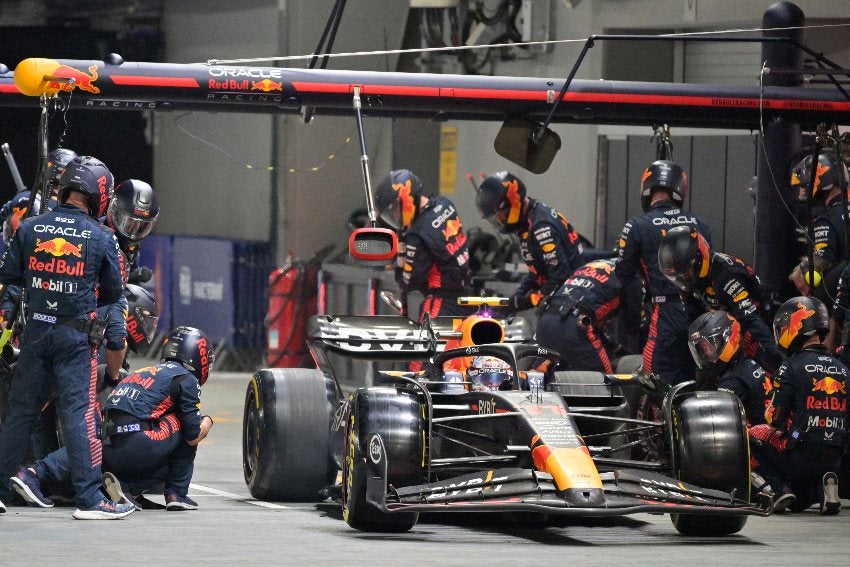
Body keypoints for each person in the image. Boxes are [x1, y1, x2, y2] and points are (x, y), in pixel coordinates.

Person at [0, 155, 134, 520]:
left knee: (20, 414)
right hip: (75, 341)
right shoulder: (103, 237)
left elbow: (9, 277)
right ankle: (90, 500)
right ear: (98, 193)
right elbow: (111, 295)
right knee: (78, 415)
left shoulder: (30, 227)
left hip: (35, 335)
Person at [10, 326, 215, 512]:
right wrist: (207, 421)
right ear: (199, 358)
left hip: (105, 438)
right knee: (188, 425)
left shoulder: (143, 372)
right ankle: (176, 494)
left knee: (86, 445)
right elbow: (192, 435)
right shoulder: (186, 379)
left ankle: (31, 474)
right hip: (136, 442)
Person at [613, 160, 712, 386]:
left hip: (665, 312)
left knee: (657, 380)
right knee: (697, 380)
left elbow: (622, 276)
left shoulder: (636, 226)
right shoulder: (700, 224)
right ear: (680, 188)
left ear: (646, 187)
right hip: (700, 314)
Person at [749, 296, 846, 514]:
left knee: (753, 434)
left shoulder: (789, 367)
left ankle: (778, 488)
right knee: (799, 502)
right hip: (836, 458)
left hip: (801, 451)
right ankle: (824, 487)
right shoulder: (844, 369)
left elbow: (774, 418)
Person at [658, 225, 782, 374]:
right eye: (677, 278)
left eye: (686, 273)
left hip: (759, 322)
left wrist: (777, 358)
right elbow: (694, 320)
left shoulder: (726, 274)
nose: (683, 280)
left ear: (699, 258)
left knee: (765, 367)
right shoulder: (687, 283)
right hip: (729, 325)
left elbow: (751, 319)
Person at [475, 171, 583, 314]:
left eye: (499, 216)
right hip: (562, 293)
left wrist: (525, 302)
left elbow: (559, 279)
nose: (499, 221)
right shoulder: (528, 220)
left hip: (574, 297)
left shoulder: (541, 228)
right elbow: (538, 273)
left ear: (511, 203)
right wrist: (516, 297)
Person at [375, 169, 472, 320]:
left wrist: (400, 256)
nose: (394, 215)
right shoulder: (445, 204)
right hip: (466, 295)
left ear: (406, 197)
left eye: (394, 209)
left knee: (426, 342)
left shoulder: (417, 234)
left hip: (442, 302)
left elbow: (408, 281)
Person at [536, 258, 640, 374]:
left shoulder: (594, 263)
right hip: (576, 326)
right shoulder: (632, 275)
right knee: (605, 384)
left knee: (542, 385)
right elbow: (633, 325)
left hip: (545, 322)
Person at [687, 310, 770, 425]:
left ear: (728, 338)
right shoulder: (747, 364)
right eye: (702, 348)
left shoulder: (733, 381)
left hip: (754, 438)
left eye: (709, 346)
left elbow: (709, 422)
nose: (705, 353)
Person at [789, 152, 849, 306]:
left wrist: (802, 270)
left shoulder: (825, 220)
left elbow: (823, 262)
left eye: (803, 185)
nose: (802, 191)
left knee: (803, 276)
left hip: (845, 302)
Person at [105, 179, 159, 284]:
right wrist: (133, 276)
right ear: (114, 210)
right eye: (129, 222)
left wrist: (134, 276)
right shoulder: (98, 236)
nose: (134, 231)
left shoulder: (132, 247)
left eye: (142, 226)